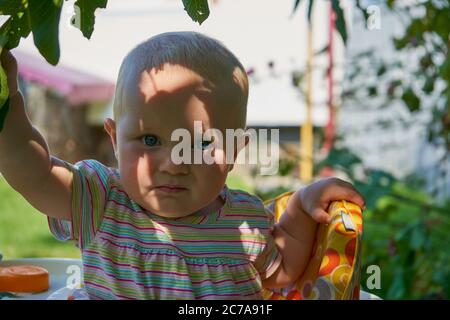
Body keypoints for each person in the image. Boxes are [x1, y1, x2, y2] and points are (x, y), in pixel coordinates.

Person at [0, 32, 364, 300]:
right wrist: (8, 103)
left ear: (234, 151)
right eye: (150, 140)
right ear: (113, 138)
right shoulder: (100, 201)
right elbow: (33, 173)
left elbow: (282, 271)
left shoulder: (244, 223)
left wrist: (300, 206)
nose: (174, 164)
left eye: (201, 143)